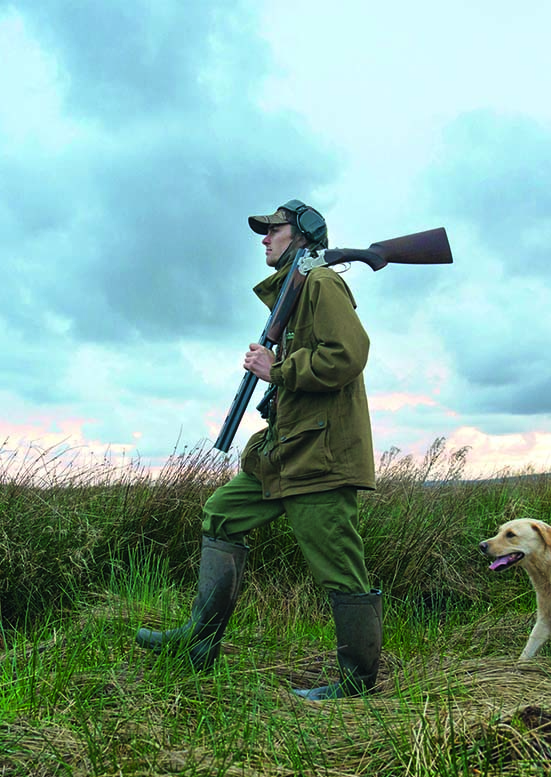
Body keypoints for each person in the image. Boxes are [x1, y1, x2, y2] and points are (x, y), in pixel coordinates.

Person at [136, 199, 381, 700]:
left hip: (321, 460)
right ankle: (199, 643)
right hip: (286, 453)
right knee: (222, 513)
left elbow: (348, 354)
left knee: (339, 567)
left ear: (305, 234)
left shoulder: (322, 283)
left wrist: (279, 369)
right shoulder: (292, 293)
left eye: (275, 230)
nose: (265, 239)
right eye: (263, 232)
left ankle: (357, 683)